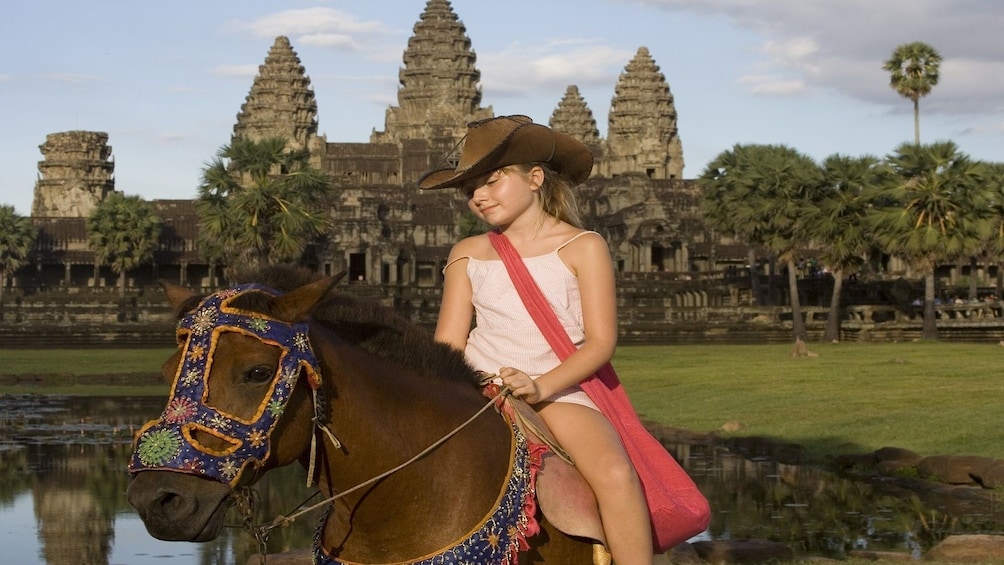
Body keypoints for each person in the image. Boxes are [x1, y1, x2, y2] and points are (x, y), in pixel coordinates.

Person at [418, 115, 655, 564]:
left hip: (557, 392)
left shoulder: (583, 246)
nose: (479, 198)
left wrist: (540, 385)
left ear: (535, 178)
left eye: (490, 182)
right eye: (470, 192)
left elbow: (601, 342)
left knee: (615, 473)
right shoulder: (467, 253)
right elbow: (447, 345)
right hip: (477, 391)